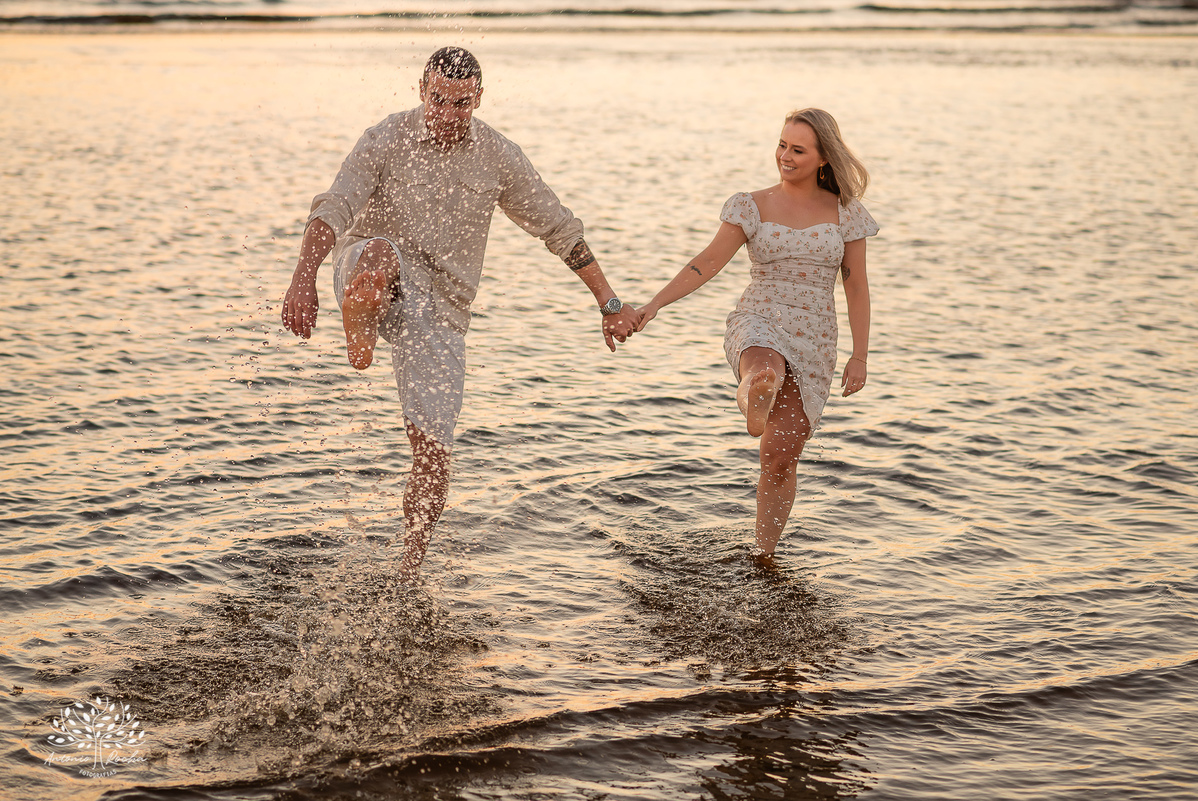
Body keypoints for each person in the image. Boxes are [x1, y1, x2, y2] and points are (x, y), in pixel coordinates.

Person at [280, 47, 639, 579]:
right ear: (421, 91)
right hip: (368, 264)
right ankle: (363, 322)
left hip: (442, 308)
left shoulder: (497, 155)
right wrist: (302, 278)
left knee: (433, 451)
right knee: (378, 257)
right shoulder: (386, 137)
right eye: (440, 101)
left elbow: (558, 228)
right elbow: (334, 206)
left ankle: (409, 568)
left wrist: (608, 303)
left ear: (479, 98)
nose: (449, 114)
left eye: (461, 103)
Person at [635, 108, 878, 558]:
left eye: (798, 149)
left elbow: (856, 286)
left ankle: (764, 555)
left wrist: (859, 355)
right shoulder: (751, 205)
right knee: (765, 367)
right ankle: (756, 392)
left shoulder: (847, 214)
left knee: (780, 458)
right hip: (759, 317)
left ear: (824, 157)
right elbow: (708, 261)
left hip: (816, 337)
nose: (785, 156)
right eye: (782, 145)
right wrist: (654, 304)